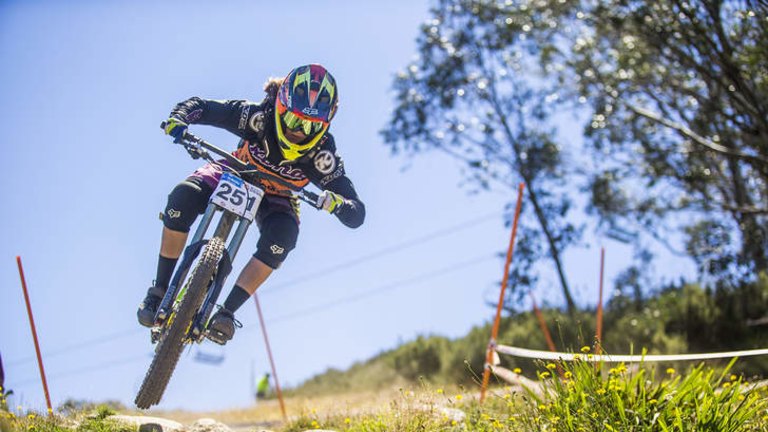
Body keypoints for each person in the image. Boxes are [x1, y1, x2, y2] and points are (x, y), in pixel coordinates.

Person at [137, 64, 365, 345]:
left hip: (279, 196)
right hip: (234, 170)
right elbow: (201, 107)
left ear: (325, 125)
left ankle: (227, 313)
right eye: (294, 121)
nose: (299, 132)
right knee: (182, 198)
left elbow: (357, 212)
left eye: (311, 126)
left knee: (283, 238)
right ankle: (159, 290)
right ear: (279, 107)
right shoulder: (257, 116)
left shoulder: (323, 156)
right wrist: (179, 119)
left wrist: (338, 205)